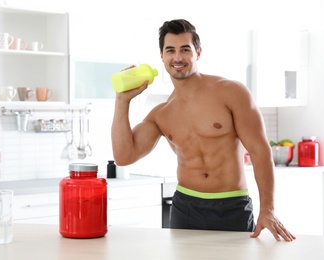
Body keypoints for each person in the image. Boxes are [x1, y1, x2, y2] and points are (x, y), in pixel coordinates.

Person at [111, 19, 296, 242]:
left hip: (232, 206)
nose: (177, 58)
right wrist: (122, 101)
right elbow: (123, 156)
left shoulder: (231, 92)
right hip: (185, 207)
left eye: (185, 50)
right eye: (170, 50)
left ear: (198, 52)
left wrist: (268, 209)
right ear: (161, 56)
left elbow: (260, 151)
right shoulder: (161, 113)